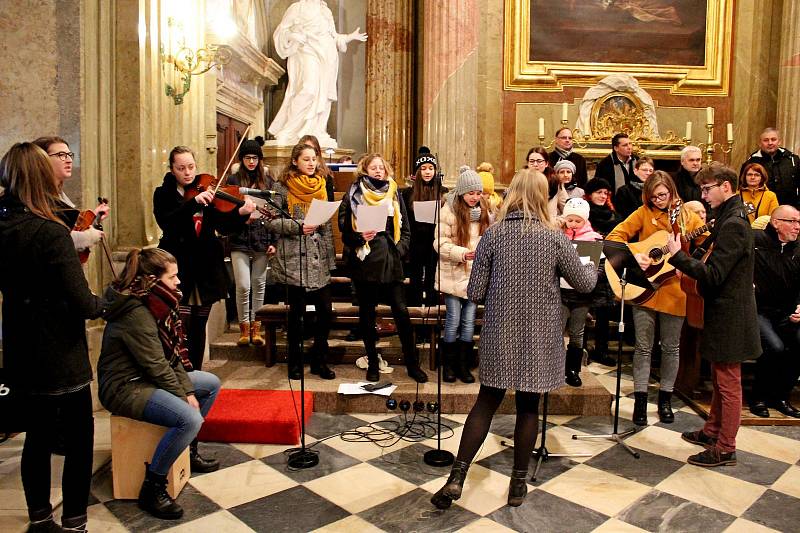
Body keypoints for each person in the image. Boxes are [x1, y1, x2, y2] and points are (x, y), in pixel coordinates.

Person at [431, 168, 596, 510]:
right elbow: (585, 284)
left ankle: (457, 477)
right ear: (541, 197)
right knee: (528, 406)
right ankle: (518, 485)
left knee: (486, 402)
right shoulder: (553, 238)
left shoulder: (493, 236)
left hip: (499, 331)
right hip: (540, 333)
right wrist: (596, 264)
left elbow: (474, 291)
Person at [0, 142, 106, 533]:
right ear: (41, 177)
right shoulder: (50, 232)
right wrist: (107, 304)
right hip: (59, 350)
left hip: (19, 345)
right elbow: (81, 302)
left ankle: (40, 520)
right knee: (79, 441)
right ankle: (75, 521)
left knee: (37, 438)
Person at [98, 248, 221, 520]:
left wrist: (187, 389)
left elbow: (171, 355)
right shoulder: (136, 312)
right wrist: (183, 395)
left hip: (145, 378)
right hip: (125, 386)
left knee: (209, 383)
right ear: (153, 280)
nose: (178, 282)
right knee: (189, 419)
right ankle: (152, 487)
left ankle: (188, 451)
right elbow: (155, 364)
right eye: (173, 277)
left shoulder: (157, 303)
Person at [667, 163, 761, 467]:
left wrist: (678, 257)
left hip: (730, 313)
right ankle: (712, 431)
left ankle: (725, 447)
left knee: (728, 381)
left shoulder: (733, 223)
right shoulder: (727, 218)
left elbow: (714, 274)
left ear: (726, 186)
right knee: (722, 379)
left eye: (707, 189)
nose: (703, 195)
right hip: (722, 310)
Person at [607, 171, 705, 425]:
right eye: (654, 197)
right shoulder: (643, 213)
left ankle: (665, 399)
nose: (659, 201)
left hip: (676, 290)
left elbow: (707, 245)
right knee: (643, 346)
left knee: (671, 348)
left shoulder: (688, 217)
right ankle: (640, 398)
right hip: (645, 289)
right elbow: (614, 238)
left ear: (672, 191)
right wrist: (634, 254)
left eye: (663, 195)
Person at [153, 146, 256, 371]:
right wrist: (194, 203)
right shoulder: (163, 194)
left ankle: (196, 374)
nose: (187, 173)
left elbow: (222, 224)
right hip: (179, 267)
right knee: (182, 326)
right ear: (172, 169)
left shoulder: (205, 190)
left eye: (191, 167)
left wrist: (240, 213)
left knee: (200, 326)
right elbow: (168, 223)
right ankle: (180, 375)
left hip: (206, 268)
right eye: (181, 168)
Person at [338, 153, 427, 383]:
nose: (378, 171)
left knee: (401, 312)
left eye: (381, 167)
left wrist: (399, 250)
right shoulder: (354, 192)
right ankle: (373, 362)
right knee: (367, 315)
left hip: (390, 259)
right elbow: (344, 229)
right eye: (373, 167)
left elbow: (405, 230)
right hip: (365, 261)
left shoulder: (394, 191)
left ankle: (412, 363)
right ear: (365, 170)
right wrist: (359, 236)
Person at [268, 143, 337, 380]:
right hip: (293, 258)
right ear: (295, 161)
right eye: (305, 159)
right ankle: (294, 363)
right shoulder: (282, 186)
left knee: (325, 313)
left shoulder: (321, 184)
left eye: (313, 159)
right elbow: (272, 221)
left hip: (318, 259)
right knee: (296, 316)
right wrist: (298, 226)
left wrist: (330, 260)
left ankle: (320, 361)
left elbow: (326, 226)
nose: (311, 163)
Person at [267, 0, 367, 147]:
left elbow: (332, 36)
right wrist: (293, 36)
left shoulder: (325, 10)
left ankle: (317, 131)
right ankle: (289, 131)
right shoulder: (297, 7)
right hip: (307, 50)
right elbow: (282, 31)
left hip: (328, 56)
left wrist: (348, 37)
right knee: (308, 89)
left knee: (324, 95)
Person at [434, 166, 491, 384]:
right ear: (461, 193)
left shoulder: (484, 213)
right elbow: (439, 242)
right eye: (471, 193)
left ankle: (463, 364)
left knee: (468, 321)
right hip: (453, 273)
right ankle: (448, 365)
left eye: (478, 193)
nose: (475, 197)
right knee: (453, 319)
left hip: (474, 276)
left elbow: (488, 240)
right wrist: (463, 253)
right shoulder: (448, 211)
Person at [749, 205, 800, 418]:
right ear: (776, 222)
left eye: (799, 222)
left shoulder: (798, 248)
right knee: (775, 347)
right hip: (759, 309)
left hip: (789, 311)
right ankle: (758, 396)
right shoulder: (755, 241)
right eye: (792, 221)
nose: (797, 227)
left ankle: (780, 396)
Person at [226, 136, 277, 346]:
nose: (251, 162)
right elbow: (226, 210)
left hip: (261, 237)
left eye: (255, 158)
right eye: (247, 157)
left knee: (259, 283)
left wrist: (274, 240)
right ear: (242, 159)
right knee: (243, 285)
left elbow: (274, 212)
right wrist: (240, 214)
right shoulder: (233, 181)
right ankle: (243, 327)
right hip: (239, 236)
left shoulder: (268, 182)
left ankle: (257, 328)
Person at [32, 136, 110, 252]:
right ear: (42, 159)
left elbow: (68, 231)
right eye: (61, 155)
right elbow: (48, 239)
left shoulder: (59, 193)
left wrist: (94, 218)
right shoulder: (34, 196)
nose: (69, 160)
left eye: (69, 155)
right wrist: (87, 237)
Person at [560, 198, 603, 386]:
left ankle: (573, 370)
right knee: (557, 330)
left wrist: (592, 274)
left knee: (577, 332)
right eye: (570, 220)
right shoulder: (559, 236)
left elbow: (600, 266)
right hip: (560, 292)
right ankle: (555, 367)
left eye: (578, 221)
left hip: (581, 295)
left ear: (585, 220)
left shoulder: (594, 238)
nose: (574, 224)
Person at [402, 146, 445, 307]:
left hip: (434, 243)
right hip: (415, 243)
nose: (427, 172)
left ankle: (431, 319)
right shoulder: (407, 194)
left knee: (432, 280)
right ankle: (414, 317)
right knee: (415, 279)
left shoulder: (442, 192)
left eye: (431, 168)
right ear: (417, 172)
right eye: (423, 168)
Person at [583, 177, 620, 366]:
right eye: (599, 192)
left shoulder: (613, 215)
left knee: (605, 312)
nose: (602, 196)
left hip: (608, 266)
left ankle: (601, 350)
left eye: (605, 193)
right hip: (589, 265)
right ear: (590, 194)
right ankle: (582, 349)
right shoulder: (585, 214)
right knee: (584, 310)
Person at [741, 128, 800, 207]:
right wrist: (750, 216)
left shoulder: (792, 160)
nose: (770, 143)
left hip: (789, 210)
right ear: (759, 143)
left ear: (779, 142)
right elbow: (743, 191)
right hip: (762, 212)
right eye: (766, 140)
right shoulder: (751, 163)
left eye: (773, 139)